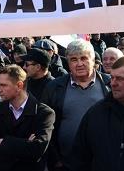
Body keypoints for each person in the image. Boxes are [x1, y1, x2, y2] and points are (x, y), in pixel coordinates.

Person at [41, 39, 110, 171]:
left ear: (93, 60)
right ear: (68, 62)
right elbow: (44, 124)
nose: (79, 64)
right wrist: (55, 159)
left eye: (84, 58)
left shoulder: (110, 84)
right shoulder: (54, 87)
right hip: (65, 163)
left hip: (102, 161)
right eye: (74, 59)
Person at [0, 65, 55, 171]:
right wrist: (24, 144)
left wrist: (1, 142)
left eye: (4, 85)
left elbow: (36, 150)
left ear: (19, 86)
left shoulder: (44, 113)